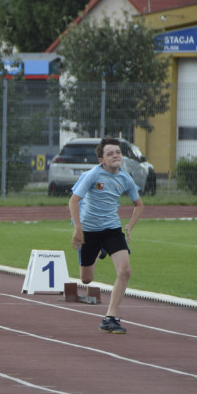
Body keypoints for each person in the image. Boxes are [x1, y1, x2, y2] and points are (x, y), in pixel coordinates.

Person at [68, 137, 144, 334]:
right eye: (110, 154)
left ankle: (109, 317)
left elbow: (139, 205)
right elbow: (73, 201)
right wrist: (78, 229)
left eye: (118, 152)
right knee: (86, 279)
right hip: (89, 231)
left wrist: (129, 226)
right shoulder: (92, 175)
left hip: (111, 229)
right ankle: (98, 251)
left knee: (125, 270)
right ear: (102, 160)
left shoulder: (125, 178)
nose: (116, 156)